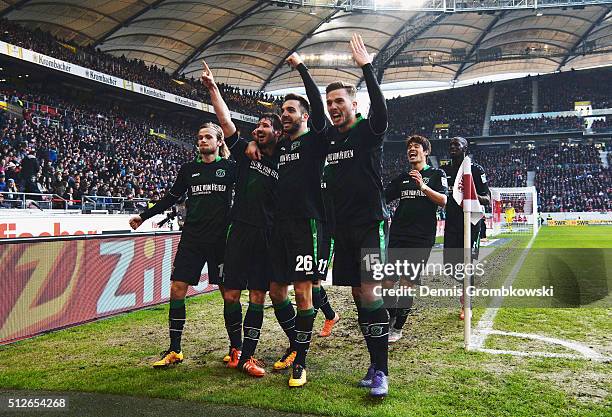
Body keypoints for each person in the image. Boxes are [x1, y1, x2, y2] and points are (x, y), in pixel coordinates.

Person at [246, 55, 329, 388]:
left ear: (304, 116)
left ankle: (301, 363)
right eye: (283, 111)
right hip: (278, 228)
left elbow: (320, 110)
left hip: (307, 225)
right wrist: (253, 141)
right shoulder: (280, 148)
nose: (284, 114)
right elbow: (255, 141)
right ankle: (297, 343)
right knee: (277, 291)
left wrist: (301, 69)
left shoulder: (316, 140)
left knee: (303, 293)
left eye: (291, 110)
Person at [129, 122, 235, 368]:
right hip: (192, 239)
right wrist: (143, 217)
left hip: (220, 241)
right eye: (199, 137)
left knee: (228, 294)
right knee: (177, 288)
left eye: (208, 137)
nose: (202, 141)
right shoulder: (188, 170)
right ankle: (175, 349)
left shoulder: (230, 168)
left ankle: (235, 348)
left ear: (219, 142)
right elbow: (171, 198)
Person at [201, 60, 282, 378]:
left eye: (265, 126)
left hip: (266, 235)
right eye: (257, 126)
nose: (258, 129)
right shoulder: (247, 152)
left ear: (276, 132)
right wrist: (213, 89)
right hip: (238, 232)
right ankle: (236, 349)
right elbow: (226, 121)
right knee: (231, 294)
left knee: (258, 296)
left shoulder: (286, 160)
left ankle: (249, 356)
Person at [322, 34, 390, 397]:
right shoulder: (329, 140)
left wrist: (366, 67)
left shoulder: (367, 131)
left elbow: (382, 112)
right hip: (342, 230)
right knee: (357, 295)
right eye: (329, 102)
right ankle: (373, 362)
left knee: (369, 291)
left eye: (339, 101)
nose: (333, 107)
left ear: (353, 103)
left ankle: (382, 371)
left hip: (371, 225)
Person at [382, 135, 447, 343]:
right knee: (387, 282)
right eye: (409, 147)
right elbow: (382, 197)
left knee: (407, 283)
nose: (412, 149)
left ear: (426, 151)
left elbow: (444, 200)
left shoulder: (437, 174)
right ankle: (392, 317)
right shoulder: (402, 177)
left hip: (421, 238)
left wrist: (424, 187)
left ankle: (397, 328)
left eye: (416, 146)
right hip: (398, 234)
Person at [441, 137, 490, 320]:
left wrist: (472, 194)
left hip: (471, 224)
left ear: (465, 148)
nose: (453, 147)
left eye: (457, 145)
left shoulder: (475, 170)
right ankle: (466, 288)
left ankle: (466, 304)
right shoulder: (444, 171)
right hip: (452, 224)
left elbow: (487, 198)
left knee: (467, 265)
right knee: (450, 266)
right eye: (451, 145)